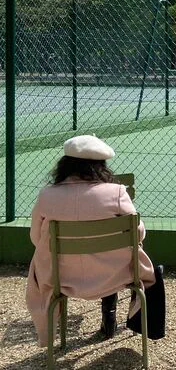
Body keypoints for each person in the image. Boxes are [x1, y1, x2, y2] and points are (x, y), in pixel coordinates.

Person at [26, 135, 157, 346]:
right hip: (115, 276)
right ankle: (139, 324)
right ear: (101, 166)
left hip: (61, 279)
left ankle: (50, 338)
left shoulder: (47, 196)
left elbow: (35, 238)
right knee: (147, 267)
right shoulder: (116, 193)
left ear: (64, 165)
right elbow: (138, 233)